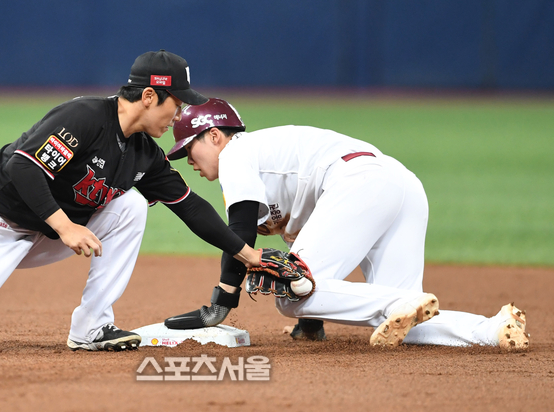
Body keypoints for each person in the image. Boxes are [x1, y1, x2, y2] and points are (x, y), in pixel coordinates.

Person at [0, 51, 263, 354]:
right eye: (178, 102)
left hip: (41, 232)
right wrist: (65, 226)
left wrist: (247, 254)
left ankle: (92, 328)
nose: (179, 114)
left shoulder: (144, 153)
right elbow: (22, 167)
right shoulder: (85, 117)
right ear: (149, 96)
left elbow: (190, 207)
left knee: (131, 207)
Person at [163, 98, 529, 350]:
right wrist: (310, 323)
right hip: (399, 185)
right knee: (404, 319)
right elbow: (308, 246)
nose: (188, 161)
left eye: (188, 148)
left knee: (290, 295)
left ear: (215, 136)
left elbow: (239, 232)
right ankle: (492, 329)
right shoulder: (269, 167)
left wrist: (222, 302)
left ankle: (402, 301)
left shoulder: (235, 153)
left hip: (359, 183)